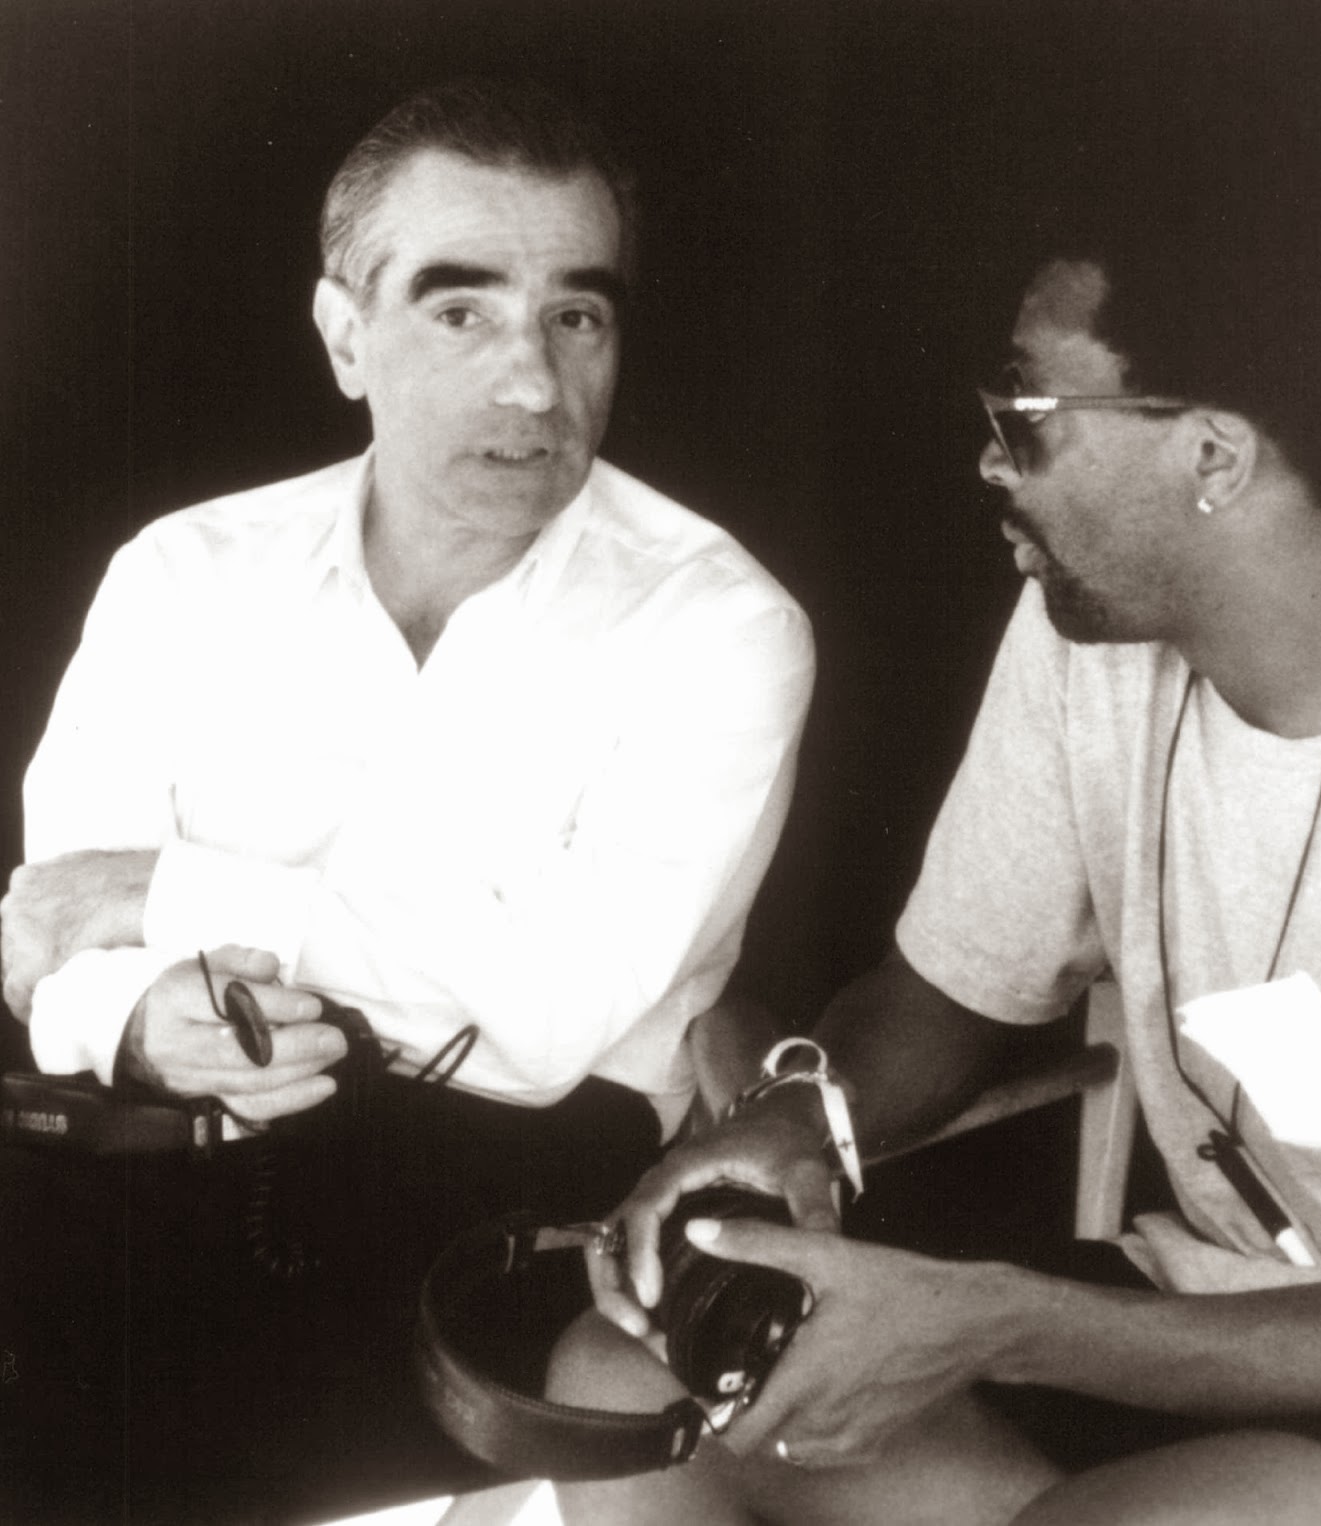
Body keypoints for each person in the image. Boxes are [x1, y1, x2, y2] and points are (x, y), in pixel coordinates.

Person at [551, 104, 1321, 1525]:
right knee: (624, 1385)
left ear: (1214, 456)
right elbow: (944, 997)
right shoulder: (1096, 631)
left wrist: (999, 1323)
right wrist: (800, 1113)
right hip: (1221, 1314)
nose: (991, 462)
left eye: (1025, 417)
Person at [0, 79, 812, 1522]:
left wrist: (169, 892)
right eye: (461, 310)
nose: (533, 385)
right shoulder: (185, 572)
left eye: (577, 315)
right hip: (144, 1175)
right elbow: (52, 924)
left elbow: (549, 1020)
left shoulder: (718, 625)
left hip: (500, 1228)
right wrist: (129, 1017)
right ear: (343, 334)